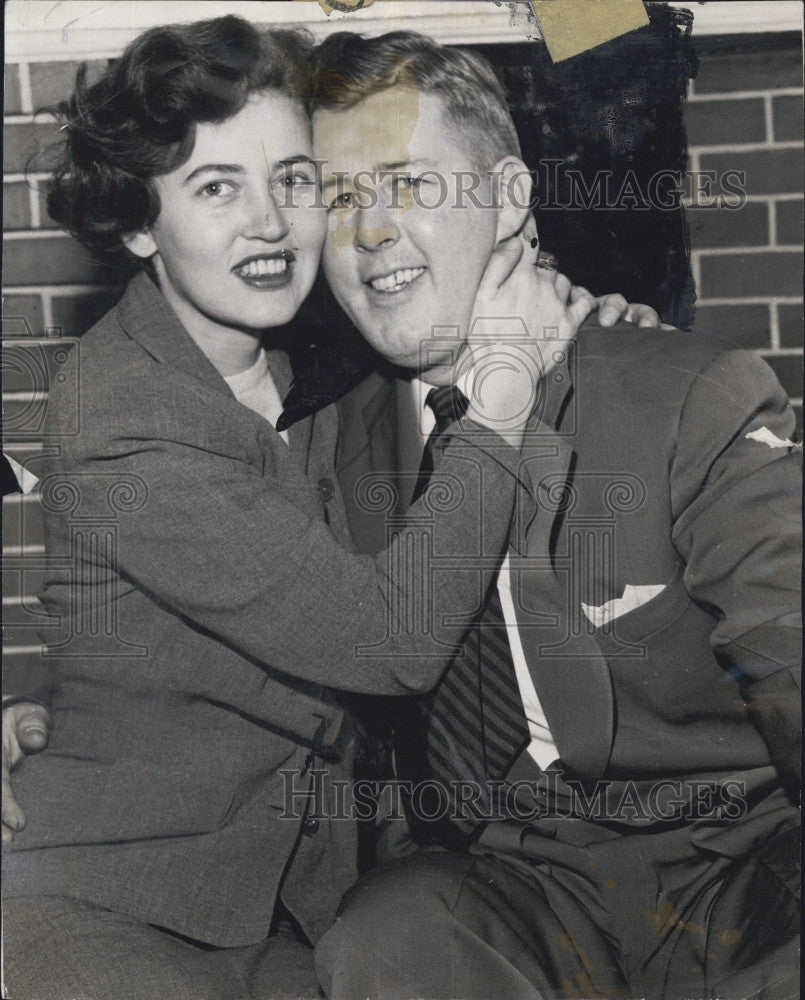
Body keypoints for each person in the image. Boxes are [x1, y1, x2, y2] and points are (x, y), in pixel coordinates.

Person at [0, 15, 652, 1000]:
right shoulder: (118, 412)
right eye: (216, 187)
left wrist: (589, 325)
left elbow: (450, 316)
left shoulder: (311, 349)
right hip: (112, 904)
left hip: (298, 911)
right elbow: (389, 640)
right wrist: (505, 388)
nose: (269, 223)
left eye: (293, 180)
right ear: (138, 223)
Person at [298, 31, 800, 1000]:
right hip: (522, 892)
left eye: (408, 183)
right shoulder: (322, 458)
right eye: (338, 197)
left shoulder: (683, 397)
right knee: (382, 937)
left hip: (741, 865)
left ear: (511, 198)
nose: (368, 232)